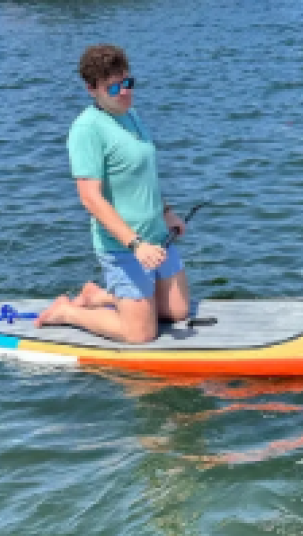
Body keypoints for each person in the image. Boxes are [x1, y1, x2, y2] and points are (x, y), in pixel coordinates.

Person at [34, 44, 190, 343]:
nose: (124, 93)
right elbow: (90, 198)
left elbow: (146, 176)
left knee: (178, 311)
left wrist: (167, 212)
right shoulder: (87, 129)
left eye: (127, 83)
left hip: (157, 238)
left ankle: (98, 295)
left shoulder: (132, 115)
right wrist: (136, 244)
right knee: (141, 334)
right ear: (91, 89)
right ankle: (67, 312)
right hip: (125, 247)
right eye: (113, 87)